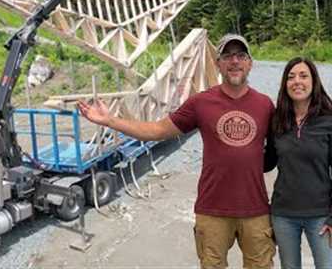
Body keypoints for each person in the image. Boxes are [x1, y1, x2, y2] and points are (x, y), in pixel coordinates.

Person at [78, 34, 276, 268]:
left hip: (255, 210)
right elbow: (156, 130)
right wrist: (111, 121)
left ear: (249, 63)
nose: (234, 61)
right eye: (227, 56)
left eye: (241, 56)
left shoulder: (265, 105)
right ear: (218, 64)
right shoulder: (201, 103)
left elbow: (286, 151)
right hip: (212, 210)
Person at [266, 57, 332, 268]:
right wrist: (235, 152)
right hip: (283, 214)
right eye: (291, 77)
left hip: (321, 215)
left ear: (314, 81)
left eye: (303, 76)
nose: (297, 81)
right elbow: (267, 163)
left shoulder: (328, 120)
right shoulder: (277, 120)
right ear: (285, 84)